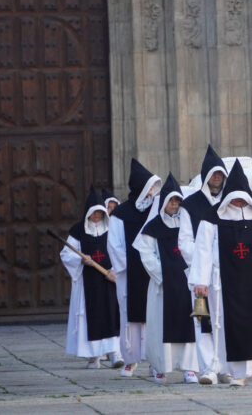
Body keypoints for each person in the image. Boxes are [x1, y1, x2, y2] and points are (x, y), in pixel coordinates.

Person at [189, 159, 252, 387]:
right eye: (235, 199)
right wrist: (200, 281)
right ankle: (232, 371)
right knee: (225, 323)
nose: (239, 202)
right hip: (223, 281)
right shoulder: (213, 217)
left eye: (242, 198)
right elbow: (202, 249)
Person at [133, 173, 199, 384]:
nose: (175, 204)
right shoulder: (152, 228)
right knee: (160, 325)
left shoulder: (188, 224)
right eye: (171, 200)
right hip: (163, 286)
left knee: (189, 323)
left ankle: (189, 368)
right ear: (164, 203)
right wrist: (164, 275)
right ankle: (160, 367)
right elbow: (146, 254)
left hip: (186, 282)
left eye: (178, 200)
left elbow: (196, 248)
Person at [178, 145, 231, 385]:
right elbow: (186, 241)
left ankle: (227, 366)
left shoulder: (232, 201)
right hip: (202, 274)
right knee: (204, 322)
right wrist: (204, 266)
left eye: (220, 174)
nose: (217, 178)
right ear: (205, 176)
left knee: (227, 320)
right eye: (213, 174)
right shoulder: (191, 205)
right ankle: (208, 368)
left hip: (229, 272)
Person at [108, 158, 162, 376]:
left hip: (153, 271)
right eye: (148, 188)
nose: (151, 192)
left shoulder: (157, 210)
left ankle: (155, 361)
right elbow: (114, 245)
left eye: (153, 189)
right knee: (130, 318)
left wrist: (157, 263)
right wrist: (129, 265)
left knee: (154, 316)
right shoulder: (120, 214)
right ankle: (130, 359)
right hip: (130, 274)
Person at [61, 186, 123, 369]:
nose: (96, 217)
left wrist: (115, 270)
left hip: (109, 279)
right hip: (89, 281)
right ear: (88, 213)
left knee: (112, 313)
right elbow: (66, 254)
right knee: (91, 316)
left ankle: (114, 353)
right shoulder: (78, 230)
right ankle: (94, 356)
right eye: (94, 213)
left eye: (99, 213)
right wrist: (80, 260)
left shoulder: (111, 228)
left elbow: (119, 251)